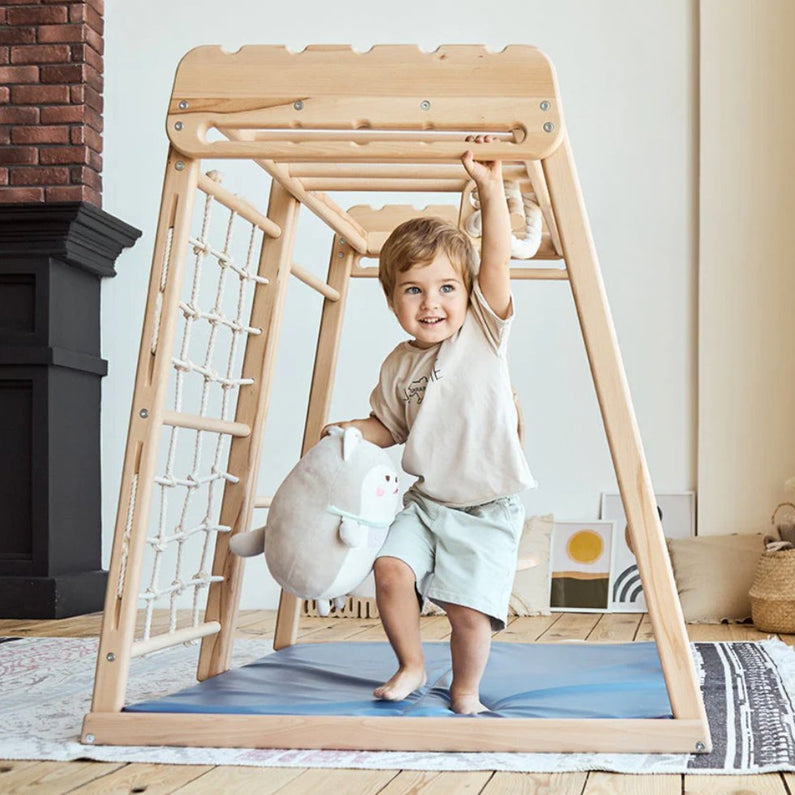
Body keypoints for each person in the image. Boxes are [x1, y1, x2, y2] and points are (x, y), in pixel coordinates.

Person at [323, 136, 536, 714]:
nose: (432, 303)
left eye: (446, 288)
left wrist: (491, 190)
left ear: (469, 296)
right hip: (426, 502)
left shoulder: (484, 336)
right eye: (413, 290)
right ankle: (412, 666)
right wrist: (345, 430)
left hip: (487, 506)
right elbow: (385, 427)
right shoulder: (398, 363)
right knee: (390, 571)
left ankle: (465, 690)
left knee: (468, 611)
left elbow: (494, 259)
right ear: (393, 299)